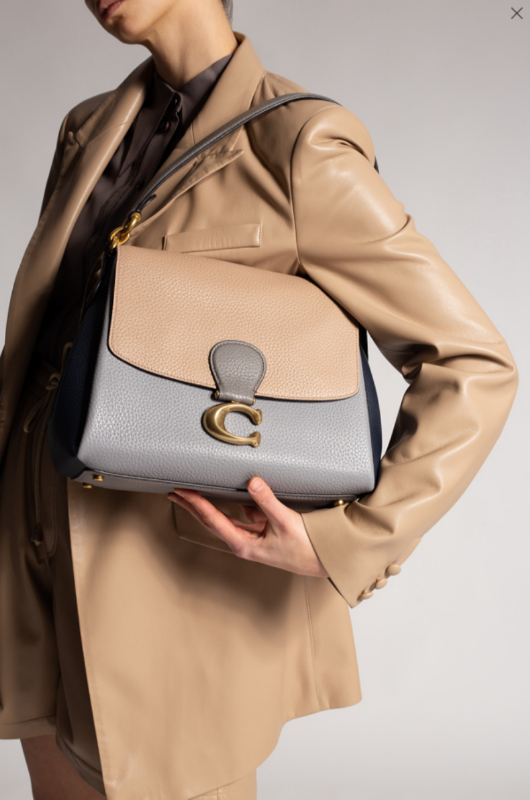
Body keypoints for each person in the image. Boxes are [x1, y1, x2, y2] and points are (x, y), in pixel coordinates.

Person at [0, 0, 519, 798]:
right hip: (27, 543)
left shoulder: (300, 145)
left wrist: (351, 540)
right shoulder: (88, 128)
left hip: (164, 584)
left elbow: (473, 363)